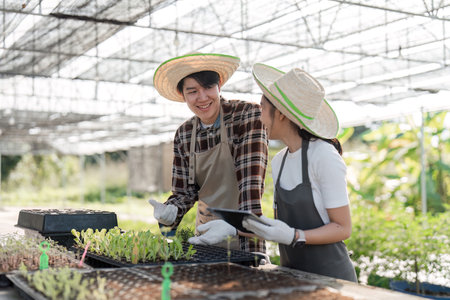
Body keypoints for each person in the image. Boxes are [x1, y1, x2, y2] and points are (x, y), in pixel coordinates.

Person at [242, 63, 357, 281]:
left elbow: (343, 227)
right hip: (293, 277)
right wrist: (234, 227)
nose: (260, 117)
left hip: (331, 280)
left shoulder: (323, 156)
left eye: (263, 108)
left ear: (282, 114)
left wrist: (296, 236)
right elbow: (281, 229)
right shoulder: (279, 161)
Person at [149, 53, 268, 253]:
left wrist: (240, 228)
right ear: (182, 95)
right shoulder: (184, 134)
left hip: (244, 238)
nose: (202, 97)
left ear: (219, 85)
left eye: (208, 88)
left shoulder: (246, 116)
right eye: (193, 91)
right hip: (204, 238)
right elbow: (185, 192)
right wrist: (172, 210)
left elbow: (250, 185)